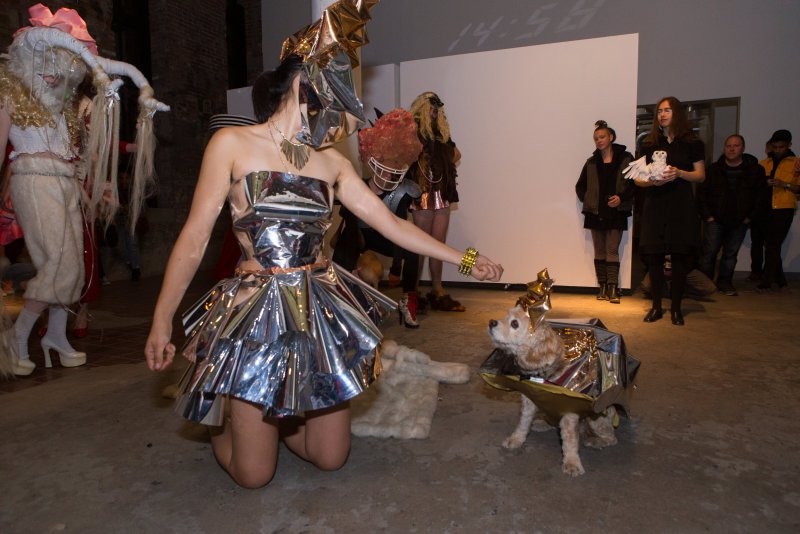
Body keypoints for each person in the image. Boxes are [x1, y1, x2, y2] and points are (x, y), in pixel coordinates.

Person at [143, 52, 503, 488]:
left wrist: (465, 258)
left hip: (316, 307)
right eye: (340, 99)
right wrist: (162, 321)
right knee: (254, 475)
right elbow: (195, 239)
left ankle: (270, 420)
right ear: (305, 85)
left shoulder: (333, 163)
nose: (347, 118)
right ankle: (221, 417)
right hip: (255, 310)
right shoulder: (233, 145)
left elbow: (392, 224)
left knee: (330, 457)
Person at [0, 5, 167, 375]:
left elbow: (81, 153)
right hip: (33, 181)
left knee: (76, 269)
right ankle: (18, 336)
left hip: (66, 184)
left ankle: (55, 336)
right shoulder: (9, 96)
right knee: (58, 266)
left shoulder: (64, 108)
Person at [333, 108, 424, 328]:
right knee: (347, 239)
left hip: (387, 236)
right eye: (383, 167)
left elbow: (401, 229)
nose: (386, 174)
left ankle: (408, 299)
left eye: (391, 169)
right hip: (358, 237)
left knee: (413, 249)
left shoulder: (403, 191)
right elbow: (348, 227)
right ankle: (338, 296)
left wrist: (395, 269)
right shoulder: (358, 186)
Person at [633, 96, 705, 326]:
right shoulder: (648, 143)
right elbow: (637, 178)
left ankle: (676, 308)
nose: (662, 115)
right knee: (653, 258)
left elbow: (701, 175)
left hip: (681, 205)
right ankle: (656, 307)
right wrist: (652, 181)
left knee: (679, 258)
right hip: (655, 204)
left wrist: (679, 173)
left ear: (677, 113)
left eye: (667, 110)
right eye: (659, 111)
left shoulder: (692, 142)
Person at [405, 92, 466, 312]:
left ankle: (437, 290)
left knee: (438, 245)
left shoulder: (441, 134)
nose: (434, 112)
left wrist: (441, 162)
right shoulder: (412, 132)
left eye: (436, 109)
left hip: (441, 192)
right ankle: (414, 291)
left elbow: (456, 153)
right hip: (421, 193)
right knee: (420, 245)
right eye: (430, 108)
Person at [696, 134, 764, 296]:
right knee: (709, 253)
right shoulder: (713, 170)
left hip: (740, 220)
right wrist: (708, 216)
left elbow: (761, 197)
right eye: (728, 146)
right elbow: (701, 194)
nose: (732, 149)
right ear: (724, 148)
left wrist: (750, 217)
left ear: (743, 148)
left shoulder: (755, 171)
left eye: (736, 145)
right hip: (714, 219)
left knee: (730, 254)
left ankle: (725, 283)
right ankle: (704, 284)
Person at [575, 120, 634, 304]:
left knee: (612, 250)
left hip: (616, 213)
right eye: (596, 138)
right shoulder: (591, 162)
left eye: (602, 137)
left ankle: (613, 288)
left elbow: (634, 185)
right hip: (595, 213)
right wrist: (590, 199)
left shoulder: (626, 158)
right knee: (599, 250)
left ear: (611, 137)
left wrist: (621, 199)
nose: (599, 141)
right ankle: (602, 286)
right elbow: (580, 186)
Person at [756, 129, 799, 293]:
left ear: (788, 146)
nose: (778, 150)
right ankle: (780, 279)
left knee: (773, 244)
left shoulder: (796, 163)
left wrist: (784, 184)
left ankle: (766, 281)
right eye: (775, 147)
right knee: (771, 244)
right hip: (765, 207)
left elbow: (798, 188)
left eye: (781, 147)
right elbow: (756, 185)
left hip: (784, 207)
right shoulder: (763, 163)